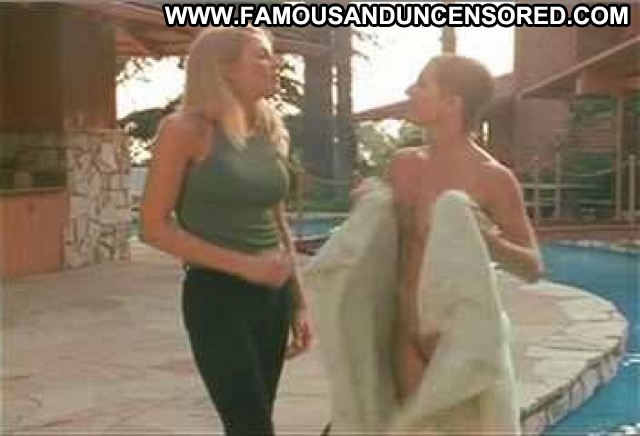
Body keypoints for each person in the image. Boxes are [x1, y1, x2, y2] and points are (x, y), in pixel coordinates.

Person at [140, 27, 312, 436]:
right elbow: (152, 227)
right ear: (224, 68)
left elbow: (277, 221)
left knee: (258, 419)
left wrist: (298, 302)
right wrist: (245, 266)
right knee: (250, 425)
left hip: (272, 298)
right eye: (261, 55)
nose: (275, 63)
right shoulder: (184, 130)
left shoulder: (269, 130)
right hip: (217, 297)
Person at [384, 54, 544, 402]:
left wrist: (486, 239)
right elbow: (380, 248)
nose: (410, 90)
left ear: (452, 101)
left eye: (422, 84)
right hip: (402, 330)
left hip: (457, 338)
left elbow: (532, 267)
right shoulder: (402, 165)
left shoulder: (491, 177)